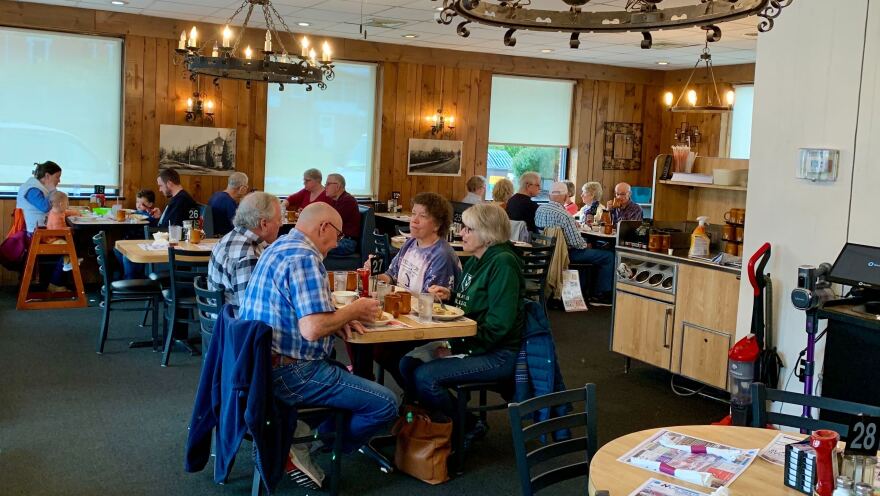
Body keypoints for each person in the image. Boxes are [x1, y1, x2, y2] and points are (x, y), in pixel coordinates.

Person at [239, 202, 399, 457]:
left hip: (259, 368)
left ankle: (306, 433)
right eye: (338, 235)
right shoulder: (305, 258)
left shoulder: (277, 246)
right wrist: (354, 310)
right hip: (292, 373)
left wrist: (338, 321)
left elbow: (294, 313)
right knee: (387, 404)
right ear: (324, 227)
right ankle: (311, 447)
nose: (337, 243)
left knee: (350, 378)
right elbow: (313, 329)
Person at [399, 204, 524, 443]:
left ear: (487, 234)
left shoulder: (503, 263)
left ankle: (466, 426)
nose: (461, 234)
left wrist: (457, 348)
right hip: (471, 342)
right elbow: (474, 302)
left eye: (468, 229)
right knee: (407, 363)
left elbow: (500, 325)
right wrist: (451, 296)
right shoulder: (478, 259)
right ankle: (441, 419)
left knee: (426, 377)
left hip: (498, 354)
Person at [536, 182, 615, 306]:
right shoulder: (565, 215)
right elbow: (577, 243)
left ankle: (586, 291)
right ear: (565, 197)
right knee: (608, 256)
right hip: (564, 254)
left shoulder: (539, 209)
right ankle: (601, 295)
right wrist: (586, 245)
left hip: (544, 253)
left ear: (550, 196)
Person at [208, 192, 282, 315]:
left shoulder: (229, 237)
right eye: (279, 219)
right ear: (264, 224)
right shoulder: (248, 255)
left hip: (218, 320)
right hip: (231, 328)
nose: (281, 224)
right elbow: (250, 311)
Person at [375, 192, 460, 295]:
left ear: (437, 225)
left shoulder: (441, 255)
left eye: (423, 216)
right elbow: (392, 276)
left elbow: (429, 300)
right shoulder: (410, 242)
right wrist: (375, 274)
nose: (414, 220)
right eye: (413, 213)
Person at [16, 160, 61, 233]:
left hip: (40, 229)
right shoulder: (32, 189)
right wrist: (52, 190)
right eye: (57, 177)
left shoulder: (40, 188)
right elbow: (45, 207)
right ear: (47, 176)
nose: (59, 181)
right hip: (33, 233)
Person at [325, 173, 360, 257]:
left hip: (347, 243)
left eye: (328, 184)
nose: (325, 187)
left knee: (312, 245)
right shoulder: (335, 200)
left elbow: (330, 222)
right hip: (338, 240)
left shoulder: (347, 200)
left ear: (337, 186)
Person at [208, 172, 250, 237]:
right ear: (242, 188)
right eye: (246, 185)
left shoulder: (216, 195)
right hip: (225, 237)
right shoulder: (228, 202)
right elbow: (240, 227)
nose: (247, 188)